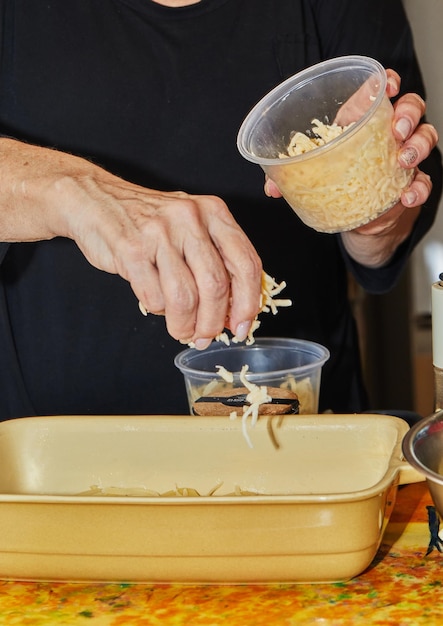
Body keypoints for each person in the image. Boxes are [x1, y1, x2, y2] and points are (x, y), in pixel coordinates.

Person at [0, 0, 441, 420]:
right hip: (47, 446)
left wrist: (373, 208)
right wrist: (76, 192)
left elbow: (384, 242)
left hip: (297, 422)